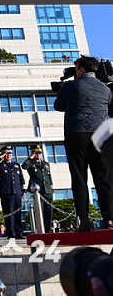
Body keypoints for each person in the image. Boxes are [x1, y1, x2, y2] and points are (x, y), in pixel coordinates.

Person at [54, 55, 113, 231]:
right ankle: (109, 220)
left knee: (79, 176)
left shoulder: (72, 86)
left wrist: (63, 89)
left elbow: (58, 105)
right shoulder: (105, 89)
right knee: (103, 178)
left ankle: (85, 220)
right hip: (101, 135)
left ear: (81, 70)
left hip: (76, 133)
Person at [0, 146, 26, 239]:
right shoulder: (1, 164)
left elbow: (21, 178)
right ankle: (11, 233)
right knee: (9, 214)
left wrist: (23, 189)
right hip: (6, 193)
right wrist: (0, 158)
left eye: (10, 153)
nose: (8, 155)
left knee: (18, 214)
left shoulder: (16, 165)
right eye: (6, 153)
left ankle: (19, 233)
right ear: (3, 154)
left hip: (17, 192)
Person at [22, 145, 55, 233]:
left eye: (40, 153)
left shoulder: (46, 164)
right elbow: (24, 166)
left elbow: (49, 178)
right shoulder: (30, 163)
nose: (38, 154)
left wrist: (52, 190)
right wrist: (30, 157)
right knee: (40, 211)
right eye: (36, 153)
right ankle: (41, 230)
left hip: (47, 190)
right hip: (38, 191)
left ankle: (48, 230)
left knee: (48, 212)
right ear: (33, 153)